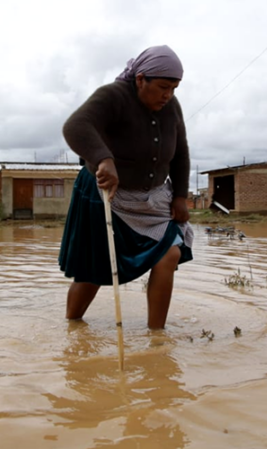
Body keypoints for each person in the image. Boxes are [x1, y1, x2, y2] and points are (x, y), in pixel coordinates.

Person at [59, 45, 194, 330]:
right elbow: (75, 125)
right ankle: (73, 328)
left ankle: (157, 336)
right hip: (105, 194)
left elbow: (180, 152)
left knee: (169, 252)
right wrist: (103, 159)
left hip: (153, 200)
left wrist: (180, 196)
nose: (168, 95)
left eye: (174, 88)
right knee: (93, 270)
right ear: (140, 79)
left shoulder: (172, 107)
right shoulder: (114, 96)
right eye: (162, 87)